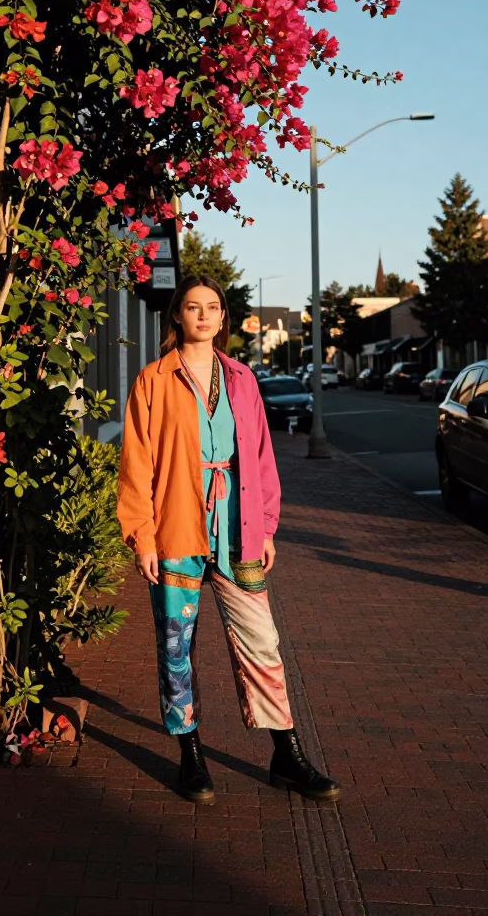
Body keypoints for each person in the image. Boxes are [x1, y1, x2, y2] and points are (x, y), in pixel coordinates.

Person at [117, 273, 341, 807]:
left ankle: (285, 754)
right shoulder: (153, 380)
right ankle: (190, 756)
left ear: (222, 318)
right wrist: (142, 538)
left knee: (262, 643)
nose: (201, 315)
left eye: (211, 307)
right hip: (176, 531)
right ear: (177, 315)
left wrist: (265, 525)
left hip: (237, 533)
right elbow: (136, 465)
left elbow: (262, 457)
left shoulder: (242, 378)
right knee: (177, 647)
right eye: (191, 306)